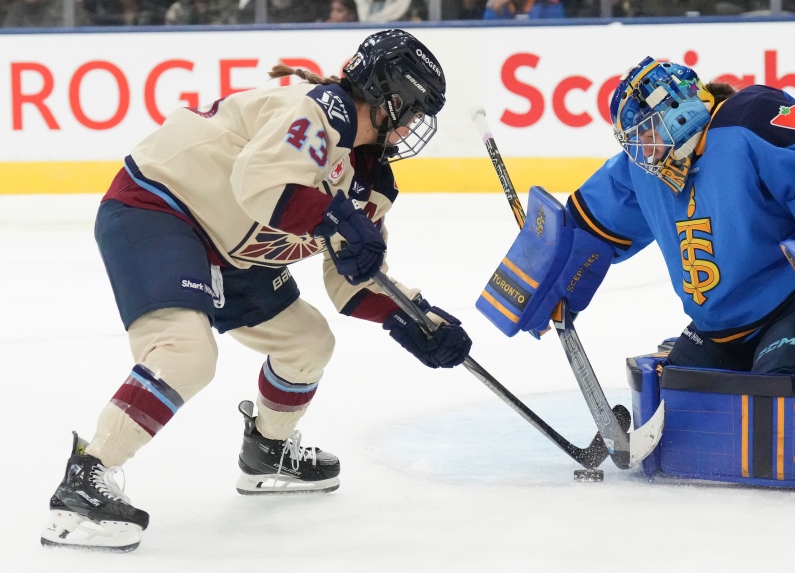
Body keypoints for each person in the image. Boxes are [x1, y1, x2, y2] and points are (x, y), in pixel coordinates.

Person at [41, 28, 472, 552]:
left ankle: (266, 453)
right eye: (412, 112)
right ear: (390, 96)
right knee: (186, 352)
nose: (410, 128)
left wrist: (413, 318)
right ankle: (82, 483)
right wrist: (336, 218)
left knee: (309, 341)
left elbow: (350, 283)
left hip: (233, 246)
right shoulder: (320, 111)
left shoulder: (372, 182)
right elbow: (260, 183)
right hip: (159, 208)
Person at [482, 57, 795, 376]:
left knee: (777, 396)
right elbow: (583, 229)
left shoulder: (749, 118)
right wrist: (541, 269)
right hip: (724, 328)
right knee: (675, 397)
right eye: (635, 139)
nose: (643, 148)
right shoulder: (642, 170)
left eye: (648, 130)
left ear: (678, 109)